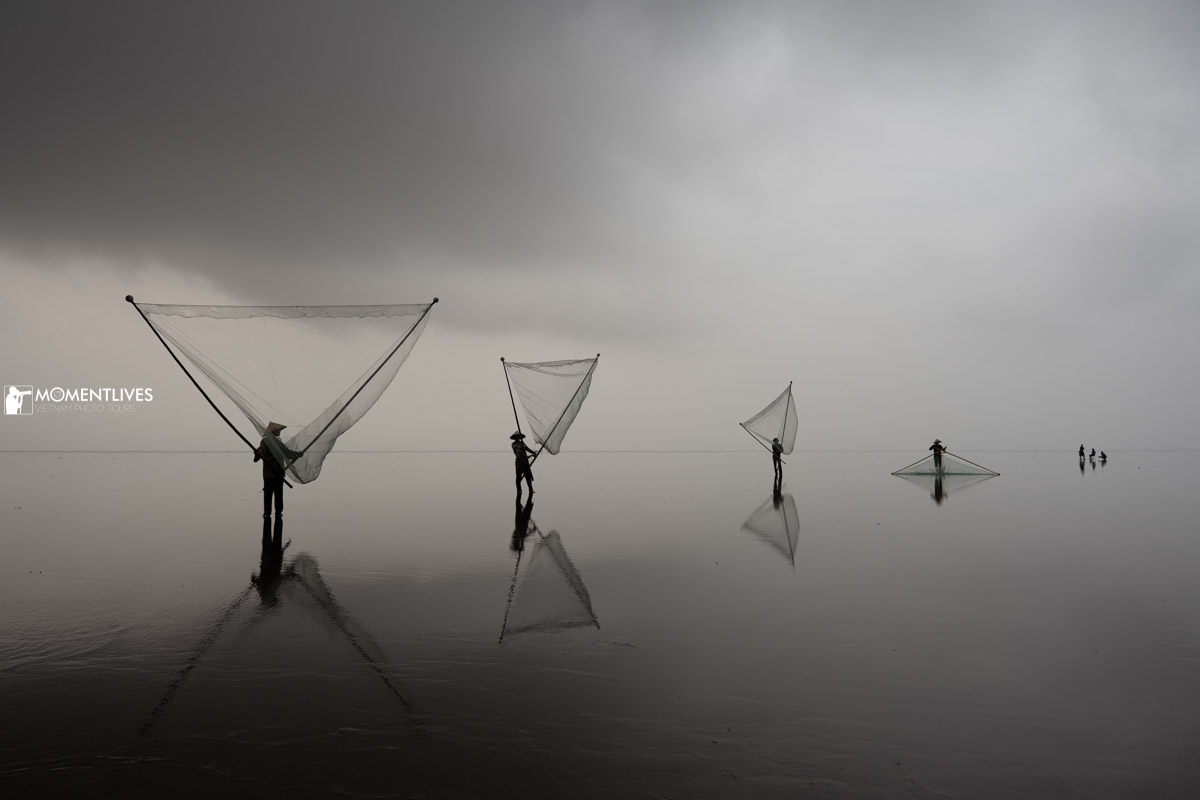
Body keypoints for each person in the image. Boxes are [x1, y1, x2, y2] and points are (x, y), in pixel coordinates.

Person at [255, 422, 302, 519]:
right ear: (274, 431)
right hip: (269, 473)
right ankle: (267, 513)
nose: (279, 431)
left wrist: (296, 454)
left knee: (279, 493)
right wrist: (258, 454)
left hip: (279, 472)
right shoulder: (266, 441)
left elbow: (286, 452)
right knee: (268, 493)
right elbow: (261, 450)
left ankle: (278, 513)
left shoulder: (278, 443)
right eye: (278, 430)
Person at [511, 431, 535, 495]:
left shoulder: (522, 443)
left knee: (528, 477)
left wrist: (533, 453)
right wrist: (530, 456)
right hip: (519, 462)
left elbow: (528, 449)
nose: (518, 438)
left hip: (525, 462)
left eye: (519, 436)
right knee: (518, 477)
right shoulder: (513, 444)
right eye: (517, 436)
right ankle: (519, 490)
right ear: (515, 437)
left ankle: (531, 490)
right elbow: (518, 453)